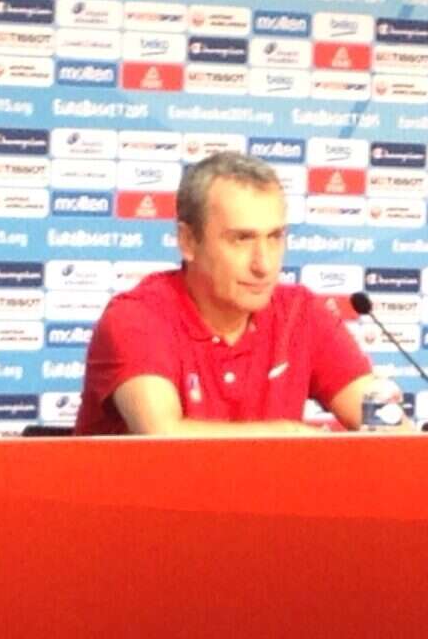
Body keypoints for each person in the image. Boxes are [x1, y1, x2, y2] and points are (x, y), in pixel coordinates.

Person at [75, 152, 380, 436]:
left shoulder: (301, 313)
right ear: (188, 241)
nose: (263, 265)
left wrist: (388, 423)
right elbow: (162, 436)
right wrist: (291, 436)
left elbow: (386, 429)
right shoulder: (137, 318)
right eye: (242, 239)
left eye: (275, 237)